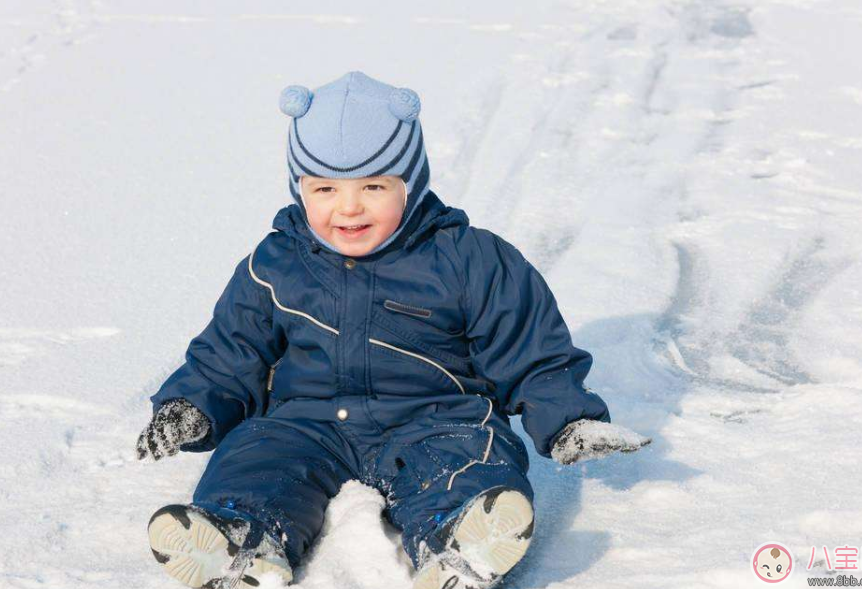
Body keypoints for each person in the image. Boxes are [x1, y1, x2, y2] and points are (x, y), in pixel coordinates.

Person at [136, 71, 651, 589]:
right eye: (325, 188)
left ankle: (459, 542)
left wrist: (567, 420)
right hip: (306, 423)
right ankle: (243, 538)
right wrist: (192, 406)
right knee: (255, 457)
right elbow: (230, 352)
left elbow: (530, 351)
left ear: (412, 183)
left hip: (434, 418)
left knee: (471, 460)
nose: (349, 206)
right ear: (299, 189)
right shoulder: (275, 264)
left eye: (374, 186)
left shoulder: (470, 259)